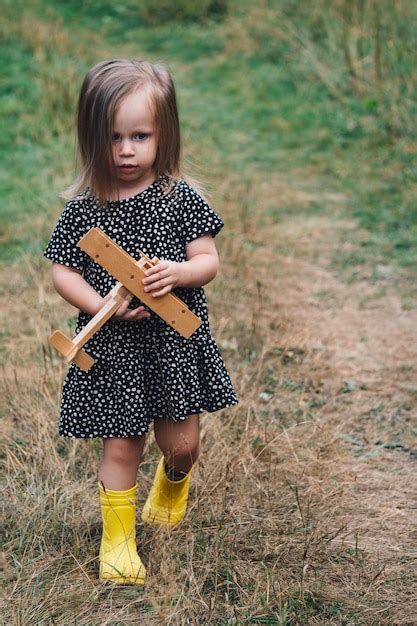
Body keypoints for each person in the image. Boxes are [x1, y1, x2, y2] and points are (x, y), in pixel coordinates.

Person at [44, 59, 238, 585]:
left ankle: (173, 483)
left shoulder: (180, 199)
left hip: (171, 342)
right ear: (90, 138)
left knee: (181, 445)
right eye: (112, 137)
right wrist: (93, 301)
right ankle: (118, 541)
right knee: (122, 442)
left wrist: (179, 272)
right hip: (114, 349)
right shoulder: (84, 209)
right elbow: (62, 270)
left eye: (140, 135)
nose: (126, 150)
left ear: (164, 134)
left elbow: (209, 262)